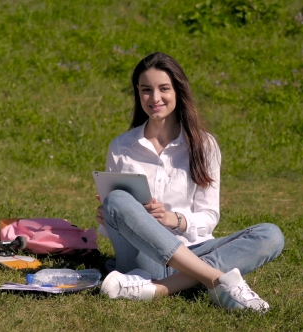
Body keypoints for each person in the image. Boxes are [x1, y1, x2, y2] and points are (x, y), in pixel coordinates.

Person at [96, 52, 284, 312]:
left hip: (194, 251)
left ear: (178, 91)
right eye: (146, 90)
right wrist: (110, 216)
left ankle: (161, 288)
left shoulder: (204, 146)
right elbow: (116, 222)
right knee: (117, 200)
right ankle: (215, 279)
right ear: (138, 94)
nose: (155, 98)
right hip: (143, 256)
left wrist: (173, 219)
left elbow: (208, 216)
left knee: (270, 235)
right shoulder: (121, 146)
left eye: (164, 88)